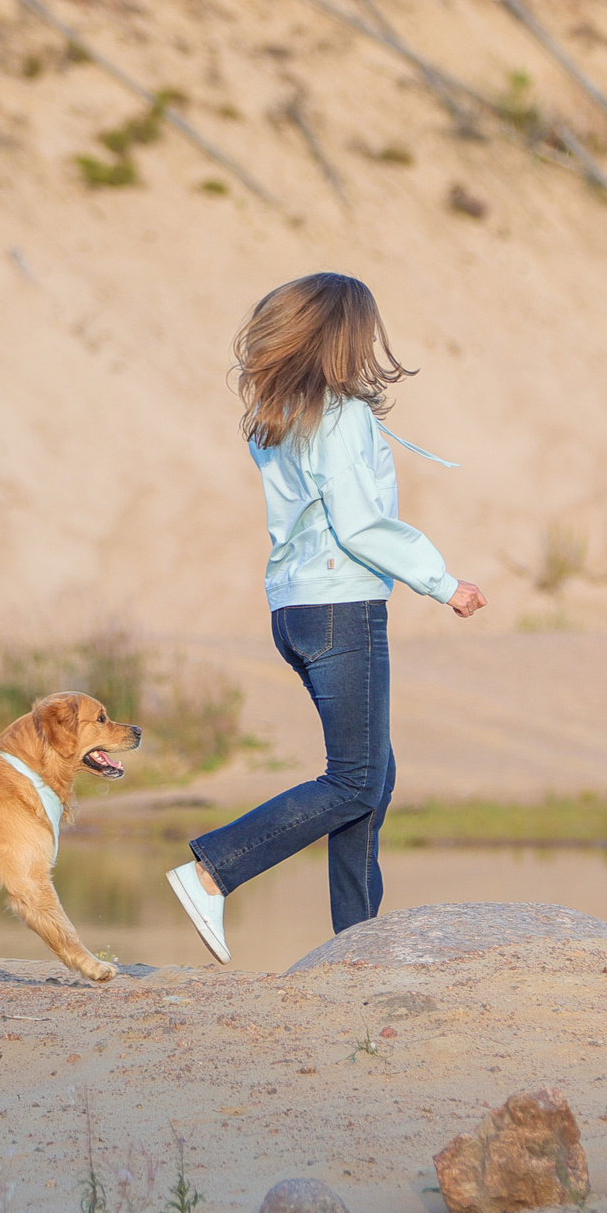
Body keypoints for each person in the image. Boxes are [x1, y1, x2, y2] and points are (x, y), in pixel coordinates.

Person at [166, 274, 485, 963]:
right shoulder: (339, 418)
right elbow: (362, 523)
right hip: (342, 608)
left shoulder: (277, 418)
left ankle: (356, 943)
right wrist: (443, 582)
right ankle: (213, 870)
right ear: (345, 336)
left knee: (372, 774)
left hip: (297, 611)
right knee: (354, 780)